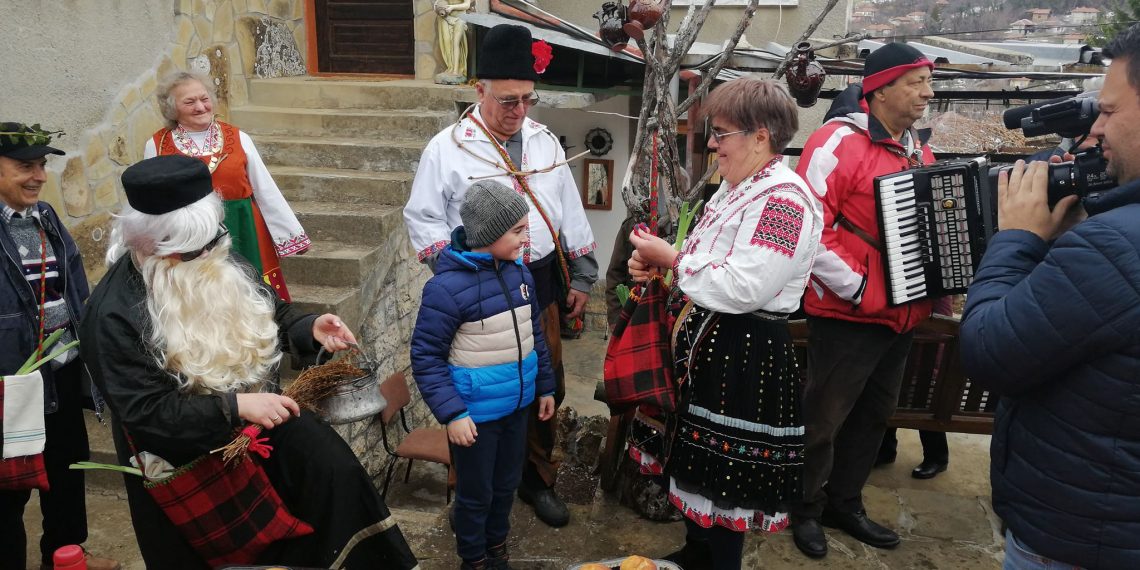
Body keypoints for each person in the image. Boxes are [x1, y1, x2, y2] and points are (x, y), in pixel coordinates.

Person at [78, 155, 418, 569]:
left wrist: (309, 327)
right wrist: (235, 407)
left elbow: (269, 310)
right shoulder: (111, 315)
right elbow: (145, 412)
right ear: (149, 245)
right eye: (194, 252)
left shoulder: (215, 256)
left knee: (335, 479)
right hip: (189, 463)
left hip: (263, 427)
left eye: (215, 241)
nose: (211, 256)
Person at [404, 23, 598, 528]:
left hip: (537, 280)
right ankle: (472, 485)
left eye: (528, 100)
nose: (519, 111)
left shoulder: (545, 142)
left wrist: (581, 275)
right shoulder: (446, 149)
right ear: (480, 90)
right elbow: (421, 217)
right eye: (508, 100)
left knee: (541, 377)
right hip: (474, 291)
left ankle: (535, 478)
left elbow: (567, 207)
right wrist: (455, 271)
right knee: (478, 384)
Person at [961, 25, 1140, 569]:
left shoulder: (1116, 245)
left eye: (1108, 111)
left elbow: (990, 351)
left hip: (1081, 536)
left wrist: (1017, 238)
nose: (1096, 128)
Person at [626, 78, 823, 570]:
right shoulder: (737, 187)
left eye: (720, 133)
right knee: (695, 466)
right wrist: (660, 266)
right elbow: (703, 262)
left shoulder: (784, 201)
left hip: (745, 356)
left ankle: (718, 563)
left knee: (725, 482)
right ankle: (696, 554)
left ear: (760, 137)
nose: (712, 144)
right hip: (714, 348)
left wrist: (671, 257)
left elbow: (744, 287)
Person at [790, 42, 937, 559]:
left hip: (901, 313)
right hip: (847, 313)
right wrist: (858, 287)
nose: (928, 92)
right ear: (881, 89)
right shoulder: (835, 141)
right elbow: (808, 229)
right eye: (916, 82)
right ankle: (804, 507)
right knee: (825, 417)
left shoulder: (917, 148)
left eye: (927, 82)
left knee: (875, 414)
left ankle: (844, 503)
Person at [411, 180, 556, 570]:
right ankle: (473, 559)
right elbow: (426, 358)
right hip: (475, 418)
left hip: (516, 408)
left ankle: (496, 549)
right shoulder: (445, 289)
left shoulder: (520, 275)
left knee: (506, 485)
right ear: (489, 234)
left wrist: (545, 386)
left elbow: (534, 336)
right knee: (476, 494)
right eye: (518, 231)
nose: (526, 239)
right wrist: (453, 414)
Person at [0, 123, 119, 570]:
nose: (37, 176)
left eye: (41, 165)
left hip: (61, 371)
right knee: (9, 486)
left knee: (67, 468)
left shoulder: (46, 217)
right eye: (23, 167)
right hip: (11, 383)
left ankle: (66, 557)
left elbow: (75, 291)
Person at [145, 71, 309, 302]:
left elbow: (265, 190)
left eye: (204, 98)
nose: (201, 107)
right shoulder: (157, 145)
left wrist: (290, 236)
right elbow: (153, 202)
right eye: (189, 102)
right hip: (190, 237)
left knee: (252, 293)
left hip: (243, 227)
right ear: (172, 109)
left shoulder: (238, 137)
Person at [876, 296, 956, 480]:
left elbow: (942, 325)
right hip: (899, 341)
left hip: (925, 349)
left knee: (924, 394)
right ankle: (885, 448)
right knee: (889, 392)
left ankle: (937, 456)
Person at [434, 0, 473, 84]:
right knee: (448, 44)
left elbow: (467, 5)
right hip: (446, 18)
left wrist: (452, 7)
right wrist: (438, 7)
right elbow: (438, 3)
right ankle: (451, 68)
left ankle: (456, 71)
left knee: (456, 43)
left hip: (460, 18)